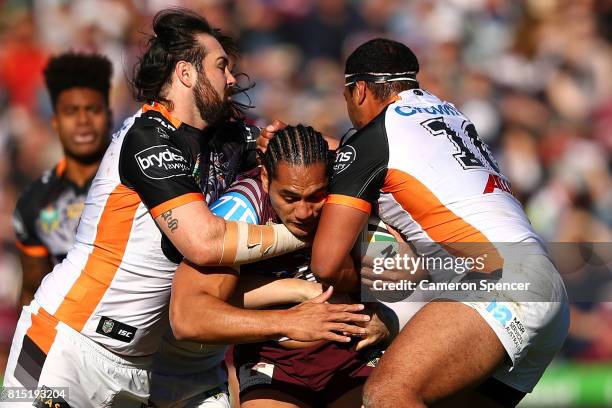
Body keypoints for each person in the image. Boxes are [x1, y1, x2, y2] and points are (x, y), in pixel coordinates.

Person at [1, 10, 365, 407]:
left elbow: (320, 153)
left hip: (143, 367)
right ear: (186, 74)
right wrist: (303, 231)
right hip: (67, 342)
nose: (231, 78)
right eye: (221, 66)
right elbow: (204, 243)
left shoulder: (230, 137)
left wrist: (357, 157)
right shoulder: (146, 137)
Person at [261, 38, 569, 407]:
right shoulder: (448, 114)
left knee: (387, 393)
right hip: (546, 286)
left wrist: (394, 270)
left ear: (359, 90)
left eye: (346, 96)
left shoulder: (374, 138)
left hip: (499, 284)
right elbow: (362, 158)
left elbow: (326, 264)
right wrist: (293, 143)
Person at [163, 125, 387, 408]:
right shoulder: (241, 208)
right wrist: (294, 308)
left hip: (353, 354)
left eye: (316, 196)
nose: (304, 212)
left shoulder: (347, 193)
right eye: (290, 198)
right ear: (266, 178)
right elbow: (187, 317)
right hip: (272, 361)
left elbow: (408, 273)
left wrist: (389, 318)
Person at [12, 52, 113, 308]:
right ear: (55, 121)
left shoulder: (136, 182)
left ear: (109, 116)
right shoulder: (33, 202)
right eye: (71, 111)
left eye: (93, 110)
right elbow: (31, 292)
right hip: (66, 334)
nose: (83, 121)